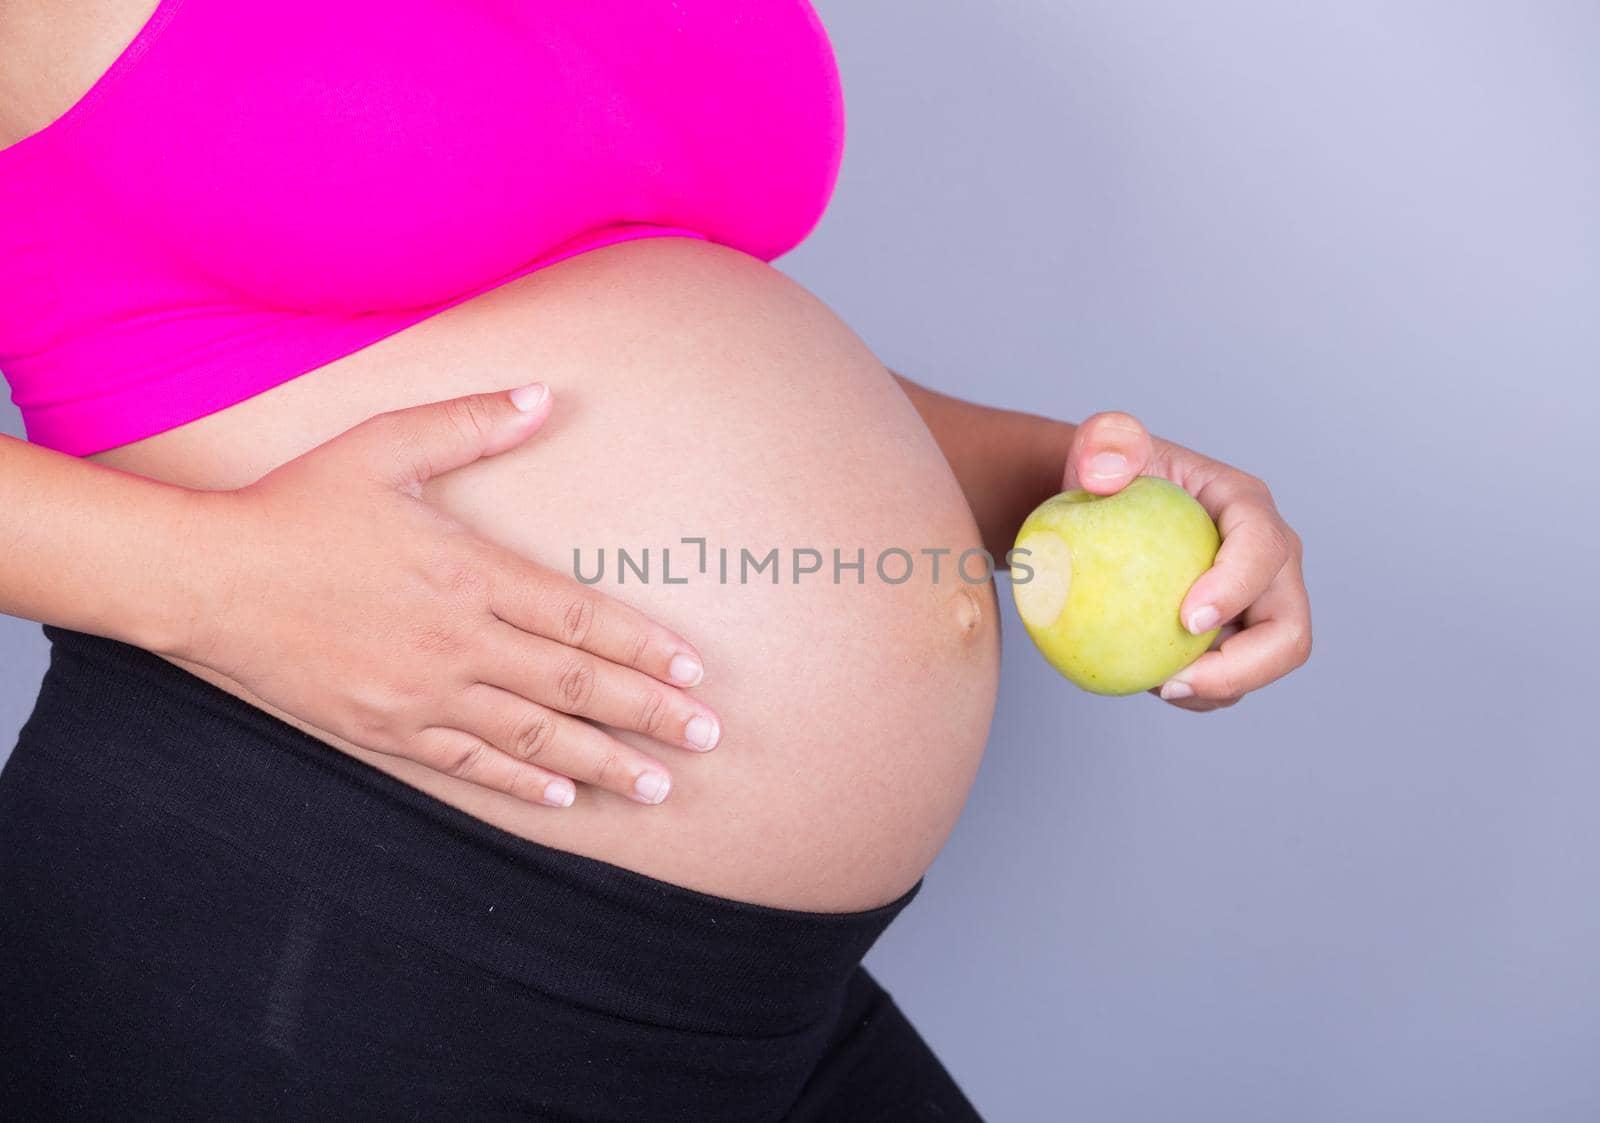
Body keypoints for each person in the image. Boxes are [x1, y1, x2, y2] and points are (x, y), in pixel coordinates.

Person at [0, 2, 1311, 1119]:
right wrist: (210, 577)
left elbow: (617, 304)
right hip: (315, 915)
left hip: (745, 1002)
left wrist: (1061, 477)